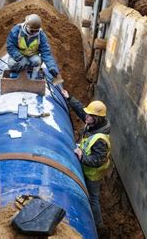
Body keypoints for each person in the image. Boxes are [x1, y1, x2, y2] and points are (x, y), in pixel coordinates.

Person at [61, 89, 111, 237]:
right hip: (86, 167)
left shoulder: (100, 139)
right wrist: (69, 98)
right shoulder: (93, 123)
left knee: (93, 198)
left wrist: (82, 157)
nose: (86, 117)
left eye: (90, 115)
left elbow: (97, 160)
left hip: (93, 174)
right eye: (88, 114)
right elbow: (81, 112)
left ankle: (99, 226)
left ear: (98, 119)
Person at [6, 14, 59, 79]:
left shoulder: (41, 35)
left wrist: (51, 67)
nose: (34, 33)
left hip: (32, 56)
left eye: (36, 31)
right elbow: (10, 46)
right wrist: (20, 57)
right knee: (12, 64)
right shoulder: (17, 30)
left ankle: (32, 78)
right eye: (32, 31)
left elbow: (46, 53)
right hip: (19, 54)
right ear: (26, 26)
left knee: (37, 61)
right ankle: (20, 72)